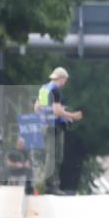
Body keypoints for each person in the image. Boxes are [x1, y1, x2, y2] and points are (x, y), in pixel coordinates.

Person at [35, 67, 83, 195]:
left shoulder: (44, 89)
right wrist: (71, 115)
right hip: (54, 127)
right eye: (65, 80)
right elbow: (56, 111)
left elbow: (37, 108)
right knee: (55, 157)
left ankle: (49, 185)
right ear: (61, 78)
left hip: (45, 125)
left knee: (50, 156)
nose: (65, 83)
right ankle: (51, 186)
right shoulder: (56, 90)